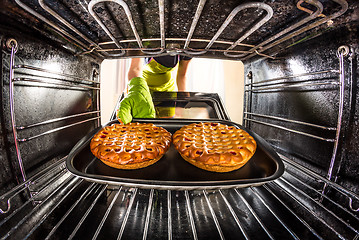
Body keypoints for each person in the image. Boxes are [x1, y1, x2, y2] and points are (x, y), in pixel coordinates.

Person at [117, 55, 192, 124]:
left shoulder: (185, 47)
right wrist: (135, 91)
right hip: (143, 91)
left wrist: (183, 98)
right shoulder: (145, 43)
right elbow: (135, 69)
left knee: (164, 129)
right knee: (142, 129)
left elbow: (182, 75)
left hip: (167, 93)